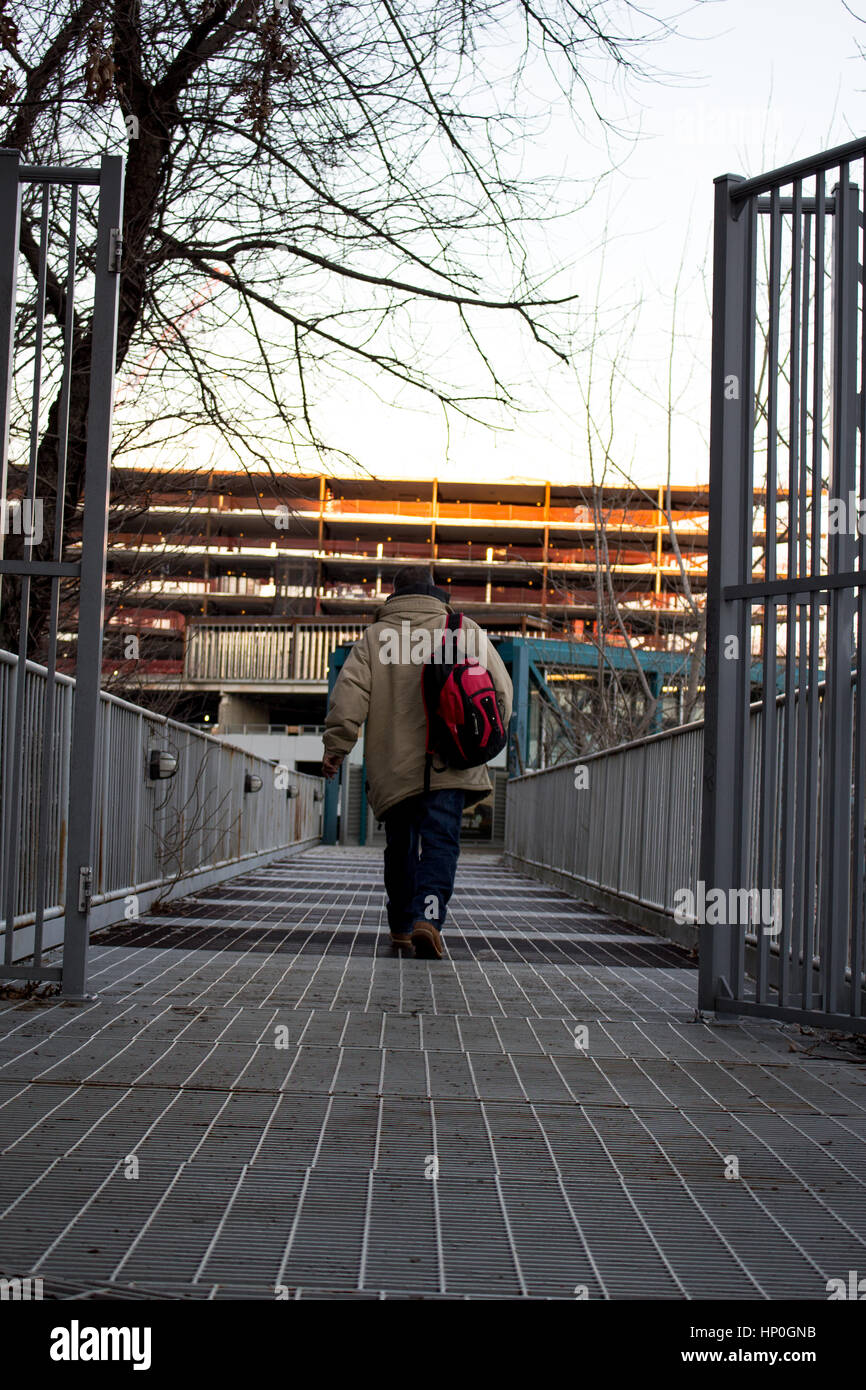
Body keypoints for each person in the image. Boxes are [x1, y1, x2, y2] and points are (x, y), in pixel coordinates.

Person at [321, 565, 513, 958]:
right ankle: (430, 918)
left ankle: (401, 926)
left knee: (401, 847)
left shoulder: (376, 638)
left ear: (394, 596)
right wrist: (486, 739)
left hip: (395, 769)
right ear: (434, 592)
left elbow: (349, 697)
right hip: (452, 763)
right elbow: (502, 692)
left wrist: (336, 748)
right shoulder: (463, 629)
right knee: (442, 843)